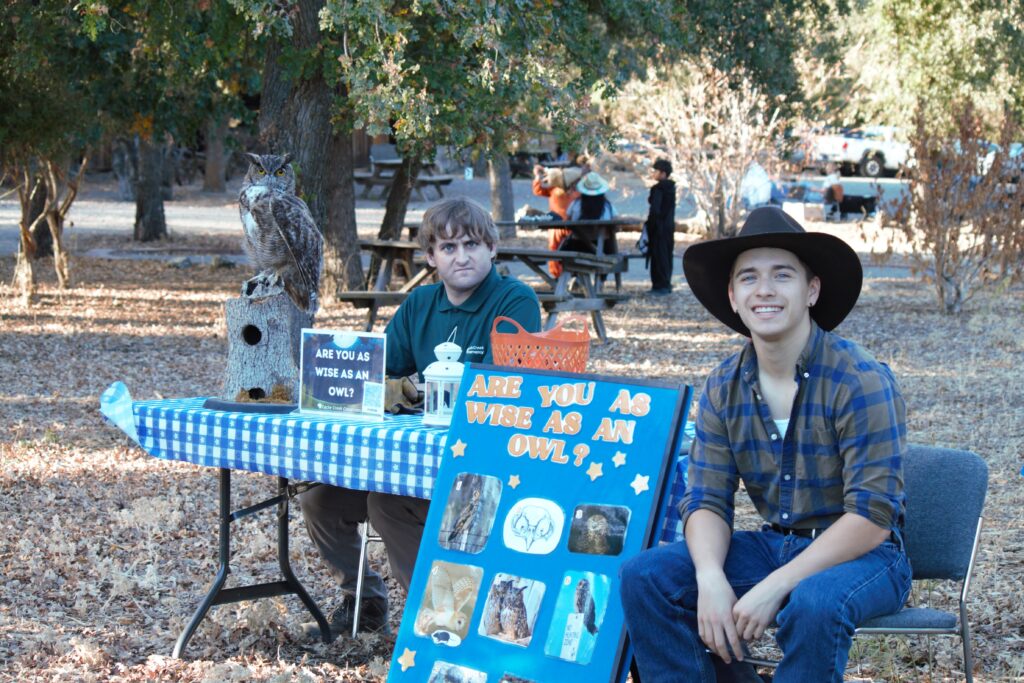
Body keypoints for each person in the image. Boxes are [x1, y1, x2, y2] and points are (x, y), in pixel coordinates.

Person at [621, 206, 910, 682]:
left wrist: (777, 584)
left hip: (868, 557)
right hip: (776, 544)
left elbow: (873, 517)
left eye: (783, 275)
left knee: (812, 602)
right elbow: (706, 498)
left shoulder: (859, 381)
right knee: (647, 578)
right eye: (749, 277)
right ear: (733, 296)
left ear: (811, 289)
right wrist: (711, 577)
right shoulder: (724, 385)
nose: (766, 290)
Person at [299, 198, 541, 640]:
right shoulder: (421, 303)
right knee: (320, 502)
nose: (462, 256)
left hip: (484, 467)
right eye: (448, 247)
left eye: (472, 243)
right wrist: (364, 379)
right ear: (431, 257)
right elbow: (379, 370)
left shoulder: (515, 300)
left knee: (387, 503)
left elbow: (498, 389)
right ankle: (366, 600)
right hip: (414, 462)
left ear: (492, 248)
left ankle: (439, 627)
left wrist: (413, 390)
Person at [532, 163, 585, 277]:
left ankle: (572, 274)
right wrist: (538, 176)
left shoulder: (578, 191)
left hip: (572, 227)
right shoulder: (555, 189)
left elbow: (538, 190)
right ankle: (558, 275)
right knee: (555, 249)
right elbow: (538, 190)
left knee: (566, 249)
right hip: (558, 226)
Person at [645, 159, 676, 296]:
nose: (654, 173)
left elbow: (655, 211)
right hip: (668, 228)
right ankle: (666, 283)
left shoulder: (658, 189)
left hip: (658, 229)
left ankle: (659, 286)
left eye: (656, 171)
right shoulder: (671, 188)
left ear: (663, 173)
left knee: (658, 256)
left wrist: (650, 226)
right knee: (666, 255)